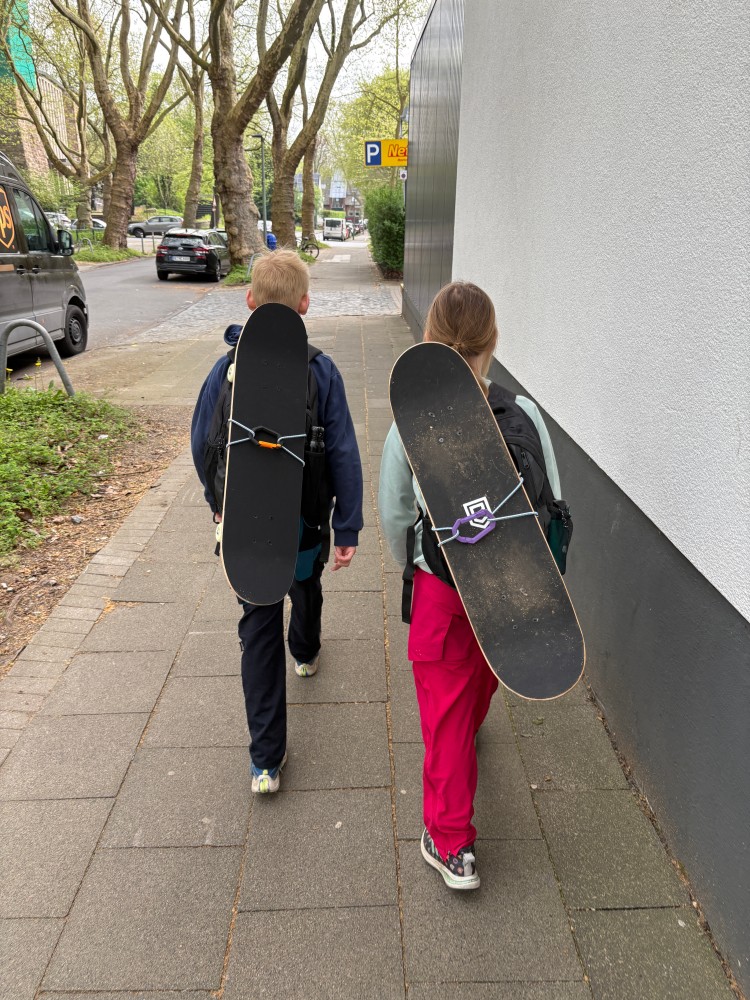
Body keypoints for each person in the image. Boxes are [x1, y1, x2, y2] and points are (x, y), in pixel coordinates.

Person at [377, 281, 562, 890]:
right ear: (493, 344)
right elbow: (553, 502)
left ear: (428, 340)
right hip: (514, 585)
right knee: (485, 678)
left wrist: (418, 562)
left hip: (446, 590)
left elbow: (396, 513)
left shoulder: (410, 424)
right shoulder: (524, 413)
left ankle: (449, 843)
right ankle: (471, 733)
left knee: (444, 719)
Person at [191, 249, 363, 794]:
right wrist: (350, 525)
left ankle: (265, 760)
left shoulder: (225, 371)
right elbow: (343, 452)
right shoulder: (321, 371)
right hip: (306, 522)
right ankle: (307, 651)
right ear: (305, 305)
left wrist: (216, 501)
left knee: (256, 627)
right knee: (305, 586)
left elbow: (202, 443)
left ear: (249, 300)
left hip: (246, 527)